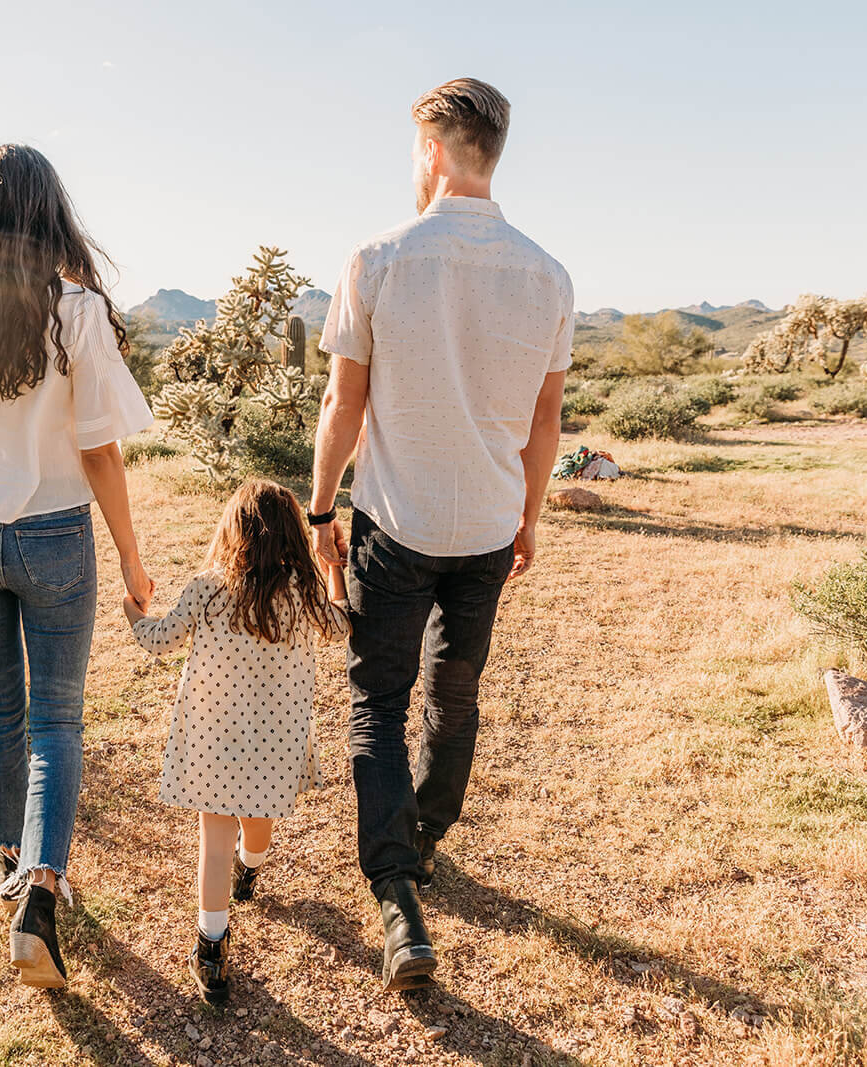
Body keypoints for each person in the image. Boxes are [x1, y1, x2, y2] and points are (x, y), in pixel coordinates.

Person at [306, 78, 573, 990]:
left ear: (432, 151)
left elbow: (344, 403)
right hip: (489, 525)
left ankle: (396, 892)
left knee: (377, 701)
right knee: (454, 695)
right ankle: (422, 836)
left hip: (395, 522)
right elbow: (546, 423)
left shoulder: (378, 258)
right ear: (491, 153)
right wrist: (530, 516)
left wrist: (320, 510)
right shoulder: (548, 275)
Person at [0, 143, 156, 990]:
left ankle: (7, 860)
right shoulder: (76, 307)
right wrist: (128, 554)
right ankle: (39, 893)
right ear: (52, 210)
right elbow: (102, 451)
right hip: (54, 533)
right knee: (56, 719)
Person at [125, 479, 348, 1004]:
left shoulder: (209, 586)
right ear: (294, 534)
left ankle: (211, 944)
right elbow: (342, 627)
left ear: (233, 530)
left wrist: (133, 610)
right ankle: (252, 869)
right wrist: (335, 569)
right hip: (276, 740)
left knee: (214, 837)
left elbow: (160, 640)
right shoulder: (304, 590)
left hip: (212, 738)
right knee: (259, 818)